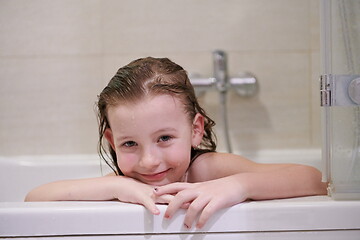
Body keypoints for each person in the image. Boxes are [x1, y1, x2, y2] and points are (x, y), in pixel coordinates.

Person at [25, 57, 327, 229]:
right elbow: (34, 199)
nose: (149, 161)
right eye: (130, 143)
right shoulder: (126, 181)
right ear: (112, 143)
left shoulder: (207, 170)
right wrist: (115, 186)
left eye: (165, 138)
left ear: (196, 130)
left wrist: (238, 186)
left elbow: (315, 180)